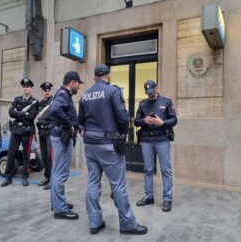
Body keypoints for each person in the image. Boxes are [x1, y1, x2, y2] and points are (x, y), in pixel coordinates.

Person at [79, 64, 148, 235]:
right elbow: (122, 117)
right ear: (108, 75)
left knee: (93, 182)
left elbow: (80, 121)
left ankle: (94, 222)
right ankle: (128, 224)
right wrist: (123, 135)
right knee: (118, 185)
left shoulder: (85, 95)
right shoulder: (112, 91)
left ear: (95, 76)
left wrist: (86, 135)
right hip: (109, 144)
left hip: (90, 144)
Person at [134, 80, 177, 212]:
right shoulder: (142, 104)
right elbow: (136, 121)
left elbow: (174, 119)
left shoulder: (166, 102)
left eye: (152, 92)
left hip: (162, 139)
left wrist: (162, 122)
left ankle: (167, 198)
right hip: (147, 140)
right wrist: (144, 121)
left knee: (166, 170)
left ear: (157, 88)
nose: (150, 95)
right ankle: (148, 196)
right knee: (147, 169)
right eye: (148, 93)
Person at [50, 71, 83, 220]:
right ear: (73, 83)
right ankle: (60, 209)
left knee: (57, 172)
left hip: (60, 135)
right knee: (61, 173)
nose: (78, 87)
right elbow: (55, 110)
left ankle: (57, 202)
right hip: (62, 137)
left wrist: (77, 126)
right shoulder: (63, 95)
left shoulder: (63, 94)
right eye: (78, 84)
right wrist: (69, 124)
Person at [1, 78, 39, 187]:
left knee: (26, 155)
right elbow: (11, 113)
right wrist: (24, 114)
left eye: (27, 87)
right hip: (16, 130)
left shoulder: (34, 102)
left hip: (27, 131)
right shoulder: (17, 99)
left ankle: (25, 176)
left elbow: (31, 116)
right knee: (11, 154)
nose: (25, 88)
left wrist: (18, 113)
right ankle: (8, 177)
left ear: (31, 88)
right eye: (24, 86)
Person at [37, 82, 54, 190]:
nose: (47, 92)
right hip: (41, 132)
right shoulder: (41, 103)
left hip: (50, 131)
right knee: (43, 156)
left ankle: (52, 179)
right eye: (45, 91)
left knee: (50, 156)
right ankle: (46, 176)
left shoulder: (54, 102)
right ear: (42, 92)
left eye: (49, 90)